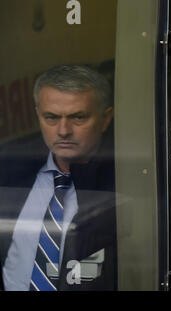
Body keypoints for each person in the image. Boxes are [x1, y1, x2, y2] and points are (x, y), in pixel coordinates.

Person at [0, 65, 117, 290]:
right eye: (51, 117)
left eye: (78, 117)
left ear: (105, 119)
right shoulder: (10, 171)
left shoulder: (124, 181)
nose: (63, 131)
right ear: (38, 115)